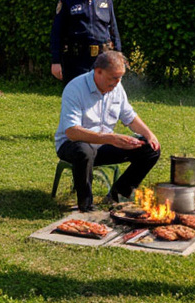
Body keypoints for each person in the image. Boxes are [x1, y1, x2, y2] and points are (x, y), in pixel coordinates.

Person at [54, 50, 161, 212]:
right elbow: (72, 132)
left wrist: (149, 134)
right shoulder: (75, 88)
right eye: (114, 77)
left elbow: (129, 117)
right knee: (84, 149)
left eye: (120, 77)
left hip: (103, 146)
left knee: (149, 149)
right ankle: (87, 206)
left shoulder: (116, 87)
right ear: (98, 72)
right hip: (72, 146)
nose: (118, 82)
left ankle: (117, 196)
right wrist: (110, 138)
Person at [51, 0, 121, 82]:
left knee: (103, 98)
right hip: (77, 61)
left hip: (103, 59)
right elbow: (57, 32)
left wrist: (119, 56)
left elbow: (113, 30)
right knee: (78, 98)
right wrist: (56, 61)